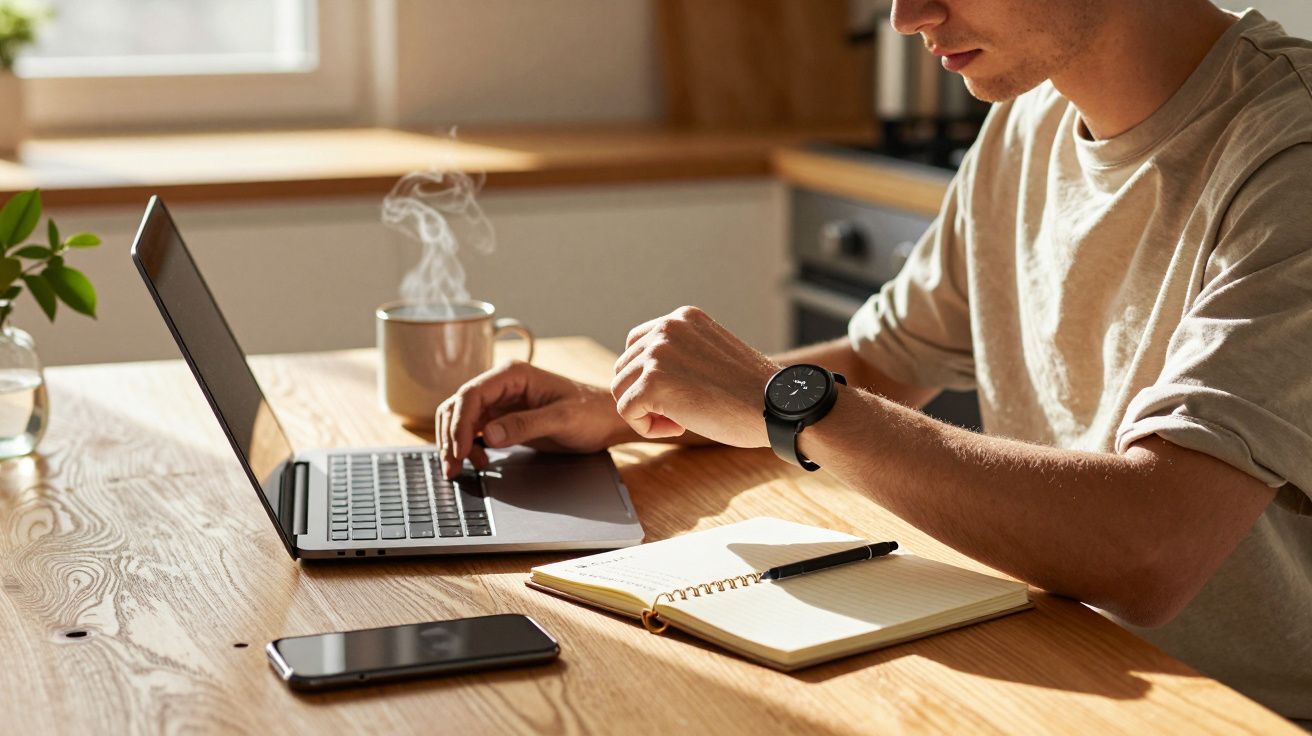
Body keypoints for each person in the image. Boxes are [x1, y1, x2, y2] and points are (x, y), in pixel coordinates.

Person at [438, 0, 1311, 721]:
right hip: (1056, 661)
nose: (906, 16)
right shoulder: (1027, 123)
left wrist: (786, 402)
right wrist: (626, 404)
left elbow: (1151, 548)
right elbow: (885, 356)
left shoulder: (1288, 156)